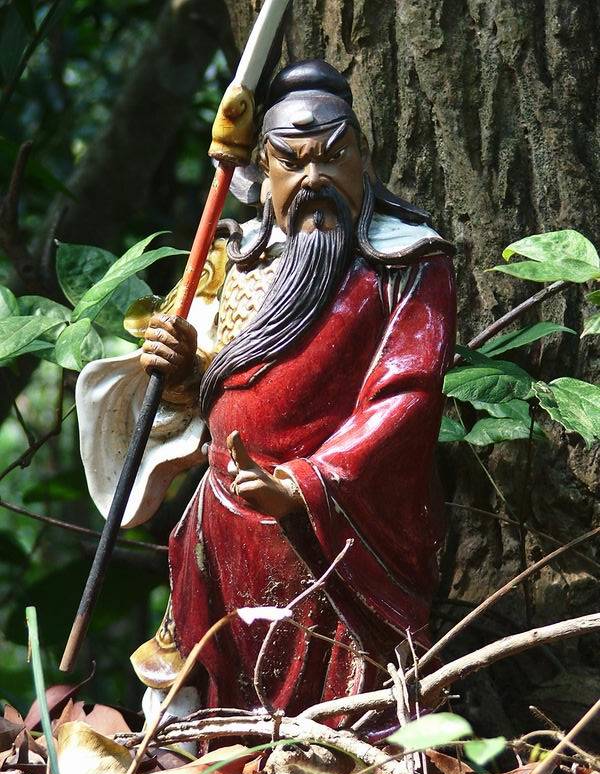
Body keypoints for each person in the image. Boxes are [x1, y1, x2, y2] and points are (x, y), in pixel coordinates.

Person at [76, 60, 456, 731]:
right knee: (207, 680)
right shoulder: (234, 259)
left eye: (333, 157)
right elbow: (211, 384)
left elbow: (406, 394)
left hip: (339, 517)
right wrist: (181, 368)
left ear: (364, 159)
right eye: (293, 161)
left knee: (345, 701)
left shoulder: (406, 264)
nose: (315, 178)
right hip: (223, 512)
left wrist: (305, 485)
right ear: (263, 170)